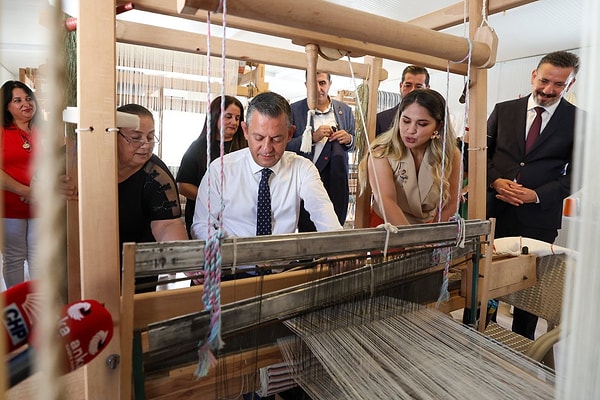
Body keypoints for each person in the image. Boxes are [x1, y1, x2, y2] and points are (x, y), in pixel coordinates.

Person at [487, 50, 581, 339]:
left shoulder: (579, 120)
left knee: (530, 288)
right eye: (544, 81)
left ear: (571, 84)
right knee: (484, 279)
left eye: (558, 85)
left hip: (538, 220)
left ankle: (523, 348)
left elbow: (579, 172)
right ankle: (478, 333)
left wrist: (536, 195)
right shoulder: (503, 110)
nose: (548, 90)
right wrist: (496, 182)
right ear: (533, 76)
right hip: (494, 211)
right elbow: (479, 157)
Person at [192, 91, 342, 242]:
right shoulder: (221, 170)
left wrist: (339, 247)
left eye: (276, 139)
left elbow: (325, 216)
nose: (266, 148)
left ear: (290, 134)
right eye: (259, 138)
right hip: (233, 262)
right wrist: (235, 251)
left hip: (283, 264)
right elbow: (201, 226)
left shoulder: (302, 169)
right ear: (245, 131)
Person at [358, 89, 461, 227]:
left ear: (438, 126)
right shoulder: (381, 154)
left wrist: (433, 239)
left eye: (422, 124)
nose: (411, 130)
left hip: (429, 229)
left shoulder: (451, 155)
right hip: (388, 229)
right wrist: (414, 241)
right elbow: (386, 201)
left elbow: (450, 204)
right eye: (406, 121)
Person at [117, 104, 188, 293]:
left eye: (150, 137)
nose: (145, 144)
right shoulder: (79, 160)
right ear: (112, 135)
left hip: (138, 267)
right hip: (84, 260)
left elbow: (167, 225)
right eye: (135, 138)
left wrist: (189, 261)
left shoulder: (157, 175)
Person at [286, 71, 355, 231]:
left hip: (337, 181)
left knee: (335, 224)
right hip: (306, 180)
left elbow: (356, 144)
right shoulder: (294, 110)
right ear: (306, 86)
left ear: (330, 84)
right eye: (312, 84)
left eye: (322, 83)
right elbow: (285, 147)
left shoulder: (344, 110)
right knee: (307, 227)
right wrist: (312, 137)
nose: (318, 88)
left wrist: (349, 139)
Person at [177, 95, 247, 238]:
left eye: (237, 118)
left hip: (238, 220)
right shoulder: (198, 147)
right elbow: (183, 186)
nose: (234, 122)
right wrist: (213, 202)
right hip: (205, 220)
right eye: (228, 116)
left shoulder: (245, 148)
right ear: (215, 116)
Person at [1, 81, 39, 288]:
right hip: (9, 208)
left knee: (38, 258)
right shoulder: (2, 131)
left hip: (41, 207)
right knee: (15, 258)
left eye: (28, 98)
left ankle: (38, 305)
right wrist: (27, 191)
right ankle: (16, 305)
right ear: (6, 106)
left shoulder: (43, 132)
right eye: (17, 100)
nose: (26, 103)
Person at [375, 65, 430, 136]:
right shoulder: (381, 120)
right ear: (401, 86)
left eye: (418, 87)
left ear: (427, 89)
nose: (412, 91)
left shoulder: (432, 121)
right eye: (408, 85)